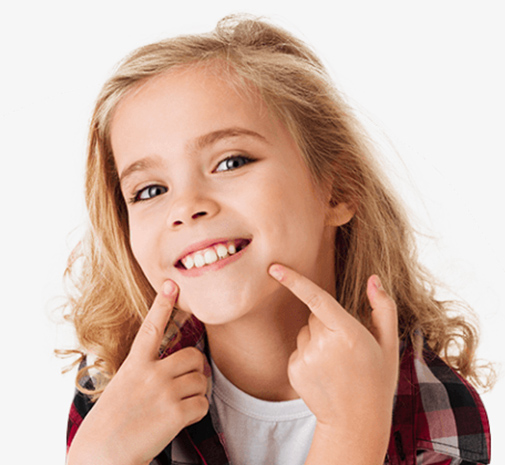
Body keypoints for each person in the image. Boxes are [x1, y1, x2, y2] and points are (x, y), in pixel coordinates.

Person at [63, 15, 491, 465]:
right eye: (150, 190)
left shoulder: (430, 407)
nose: (185, 206)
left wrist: (351, 434)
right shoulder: (115, 391)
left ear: (337, 189)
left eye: (231, 162)